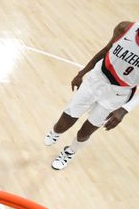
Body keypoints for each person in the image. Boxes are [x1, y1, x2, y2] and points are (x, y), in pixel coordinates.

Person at [44, 21, 139, 170]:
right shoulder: (125, 28)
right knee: (65, 120)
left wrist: (124, 110)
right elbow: (105, 50)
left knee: (86, 131)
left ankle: (70, 152)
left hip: (118, 94)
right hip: (96, 79)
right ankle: (55, 132)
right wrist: (82, 73)